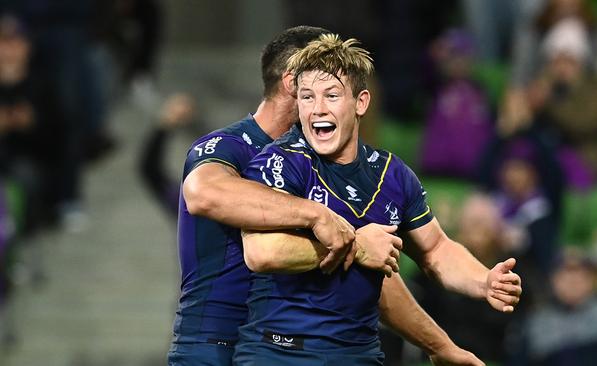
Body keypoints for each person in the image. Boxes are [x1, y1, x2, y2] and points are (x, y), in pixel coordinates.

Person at [169, 26, 483, 366]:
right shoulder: (232, 147)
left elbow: (366, 272)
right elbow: (202, 192)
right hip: (211, 345)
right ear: (294, 82)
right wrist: (317, 215)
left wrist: (439, 345)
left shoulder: (325, 166)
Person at [235, 33, 522, 365]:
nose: (318, 109)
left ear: (360, 103)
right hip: (282, 353)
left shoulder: (392, 174)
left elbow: (436, 249)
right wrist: (357, 246)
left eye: (331, 95)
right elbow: (262, 252)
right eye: (307, 97)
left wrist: (483, 280)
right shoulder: (279, 162)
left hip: (360, 354)